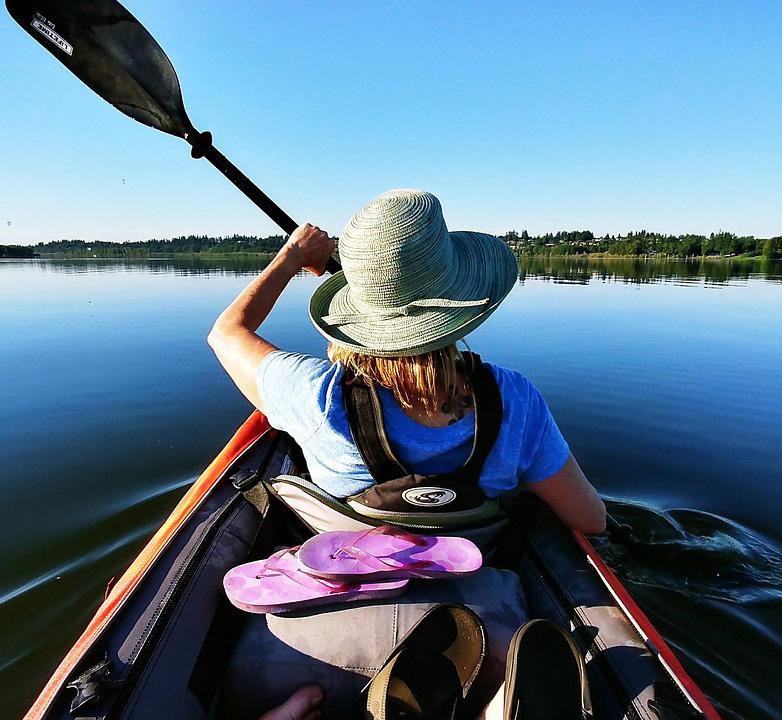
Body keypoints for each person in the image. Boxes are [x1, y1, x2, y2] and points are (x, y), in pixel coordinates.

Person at [208, 188, 605, 537]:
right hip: (480, 577)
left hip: (357, 580)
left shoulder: (314, 395)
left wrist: (292, 255)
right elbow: (591, 520)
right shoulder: (515, 400)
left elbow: (226, 333)